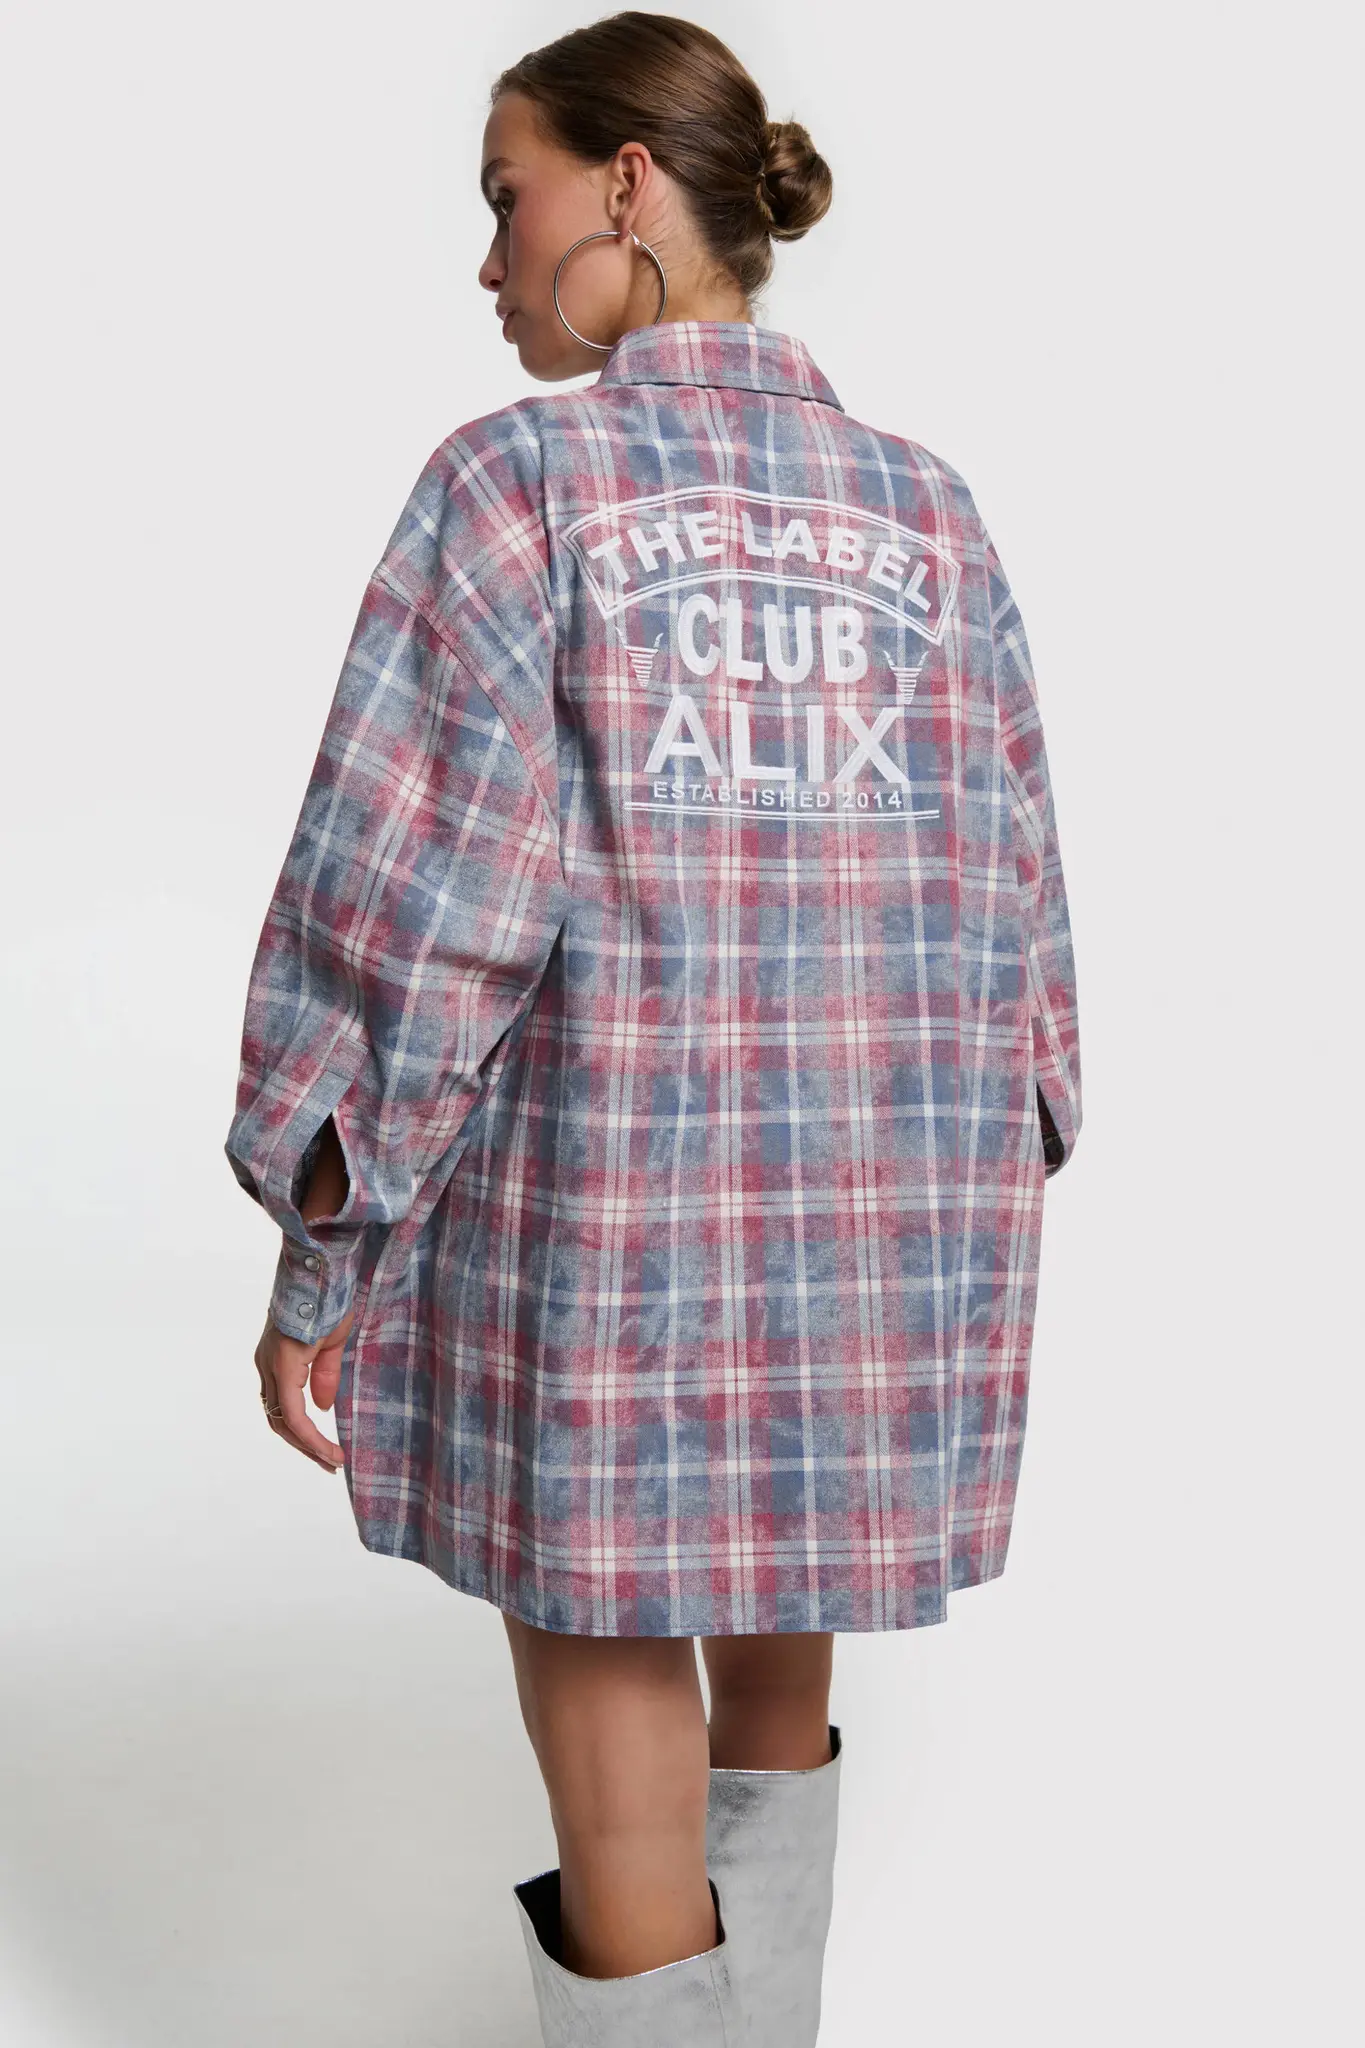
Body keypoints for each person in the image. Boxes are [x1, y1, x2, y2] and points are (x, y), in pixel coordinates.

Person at [223, 12, 1082, 2044]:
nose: (489, 258)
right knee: (782, 1615)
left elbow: (415, 910)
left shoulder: (518, 489)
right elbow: (1020, 914)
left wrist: (322, 1236)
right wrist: (992, 1171)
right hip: (882, 1228)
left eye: (505, 196)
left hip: (612, 1224)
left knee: (607, 1622)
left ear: (625, 184)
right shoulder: (930, 515)